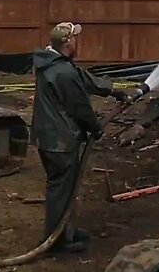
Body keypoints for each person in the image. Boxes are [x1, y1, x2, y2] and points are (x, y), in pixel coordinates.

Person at [31, 21, 140, 252]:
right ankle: (58, 241)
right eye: (75, 38)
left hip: (48, 138)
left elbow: (85, 80)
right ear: (68, 42)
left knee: (63, 188)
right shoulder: (63, 72)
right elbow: (79, 107)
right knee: (61, 190)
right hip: (60, 141)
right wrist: (96, 128)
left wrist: (114, 90)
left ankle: (65, 231)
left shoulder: (53, 63)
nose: (77, 41)